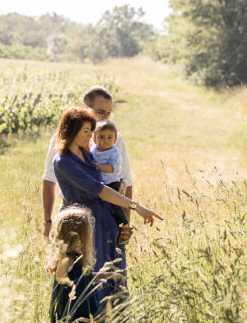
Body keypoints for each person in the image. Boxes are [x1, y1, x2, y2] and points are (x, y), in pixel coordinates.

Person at [52, 107, 162, 303]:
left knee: (111, 271)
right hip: (81, 226)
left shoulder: (88, 154)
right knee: (84, 275)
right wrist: (136, 207)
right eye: (86, 131)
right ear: (72, 130)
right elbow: (100, 189)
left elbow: (109, 179)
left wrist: (120, 183)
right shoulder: (63, 162)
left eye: (90, 131)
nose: (90, 136)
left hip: (104, 222)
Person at [42, 86, 133, 240]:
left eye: (108, 113)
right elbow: (49, 180)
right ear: (85, 107)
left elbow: (126, 182)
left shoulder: (116, 139)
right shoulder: (62, 139)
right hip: (74, 214)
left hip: (108, 215)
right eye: (100, 112)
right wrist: (47, 221)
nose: (104, 118)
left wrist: (125, 225)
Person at [46, 206, 101, 323]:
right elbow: (60, 277)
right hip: (71, 309)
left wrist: (104, 275)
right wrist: (63, 254)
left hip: (82, 307)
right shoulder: (68, 257)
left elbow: (83, 277)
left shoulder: (78, 256)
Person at [90, 120, 129, 228]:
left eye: (109, 137)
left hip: (112, 182)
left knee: (114, 203)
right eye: (101, 137)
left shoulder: (114, 152)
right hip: (100, 183)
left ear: (115, 140)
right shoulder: (93, 150)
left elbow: (111, 168)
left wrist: (97, 166)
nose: (105, 140)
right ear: (94, 139)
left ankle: (124, 223)